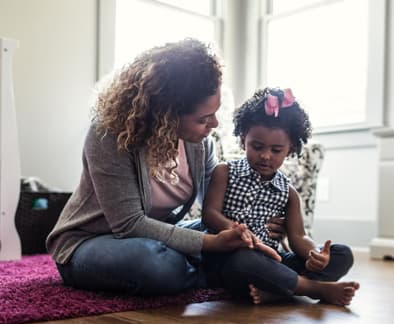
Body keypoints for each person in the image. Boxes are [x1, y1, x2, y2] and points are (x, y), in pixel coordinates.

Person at [46, 38, 282, 296]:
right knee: (155, 263)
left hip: (156, 236)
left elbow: (218, 209)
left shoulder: (200, 144)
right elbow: (130, 225)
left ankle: (220, 270)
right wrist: (213, 244)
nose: (214, 124)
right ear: (166, 114)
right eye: (203, 119)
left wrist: (252, 227)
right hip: (90, 241)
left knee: (231, 238)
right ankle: (224, 273)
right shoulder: (109, 135)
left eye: (215, 113)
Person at [202, 87, 359, 306]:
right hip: (232, 257)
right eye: (256, 146)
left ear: (290, 149)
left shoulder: (288, 192)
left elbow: (298, 238)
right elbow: (209, 215)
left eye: (276, 150)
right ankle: (313, 288)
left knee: (342, 254)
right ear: (242, 140)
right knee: (244, 261)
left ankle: (279, 291)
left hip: (274, 260)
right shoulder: (225, 172)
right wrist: (240, 233)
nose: (265, 156)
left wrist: (315, 255)